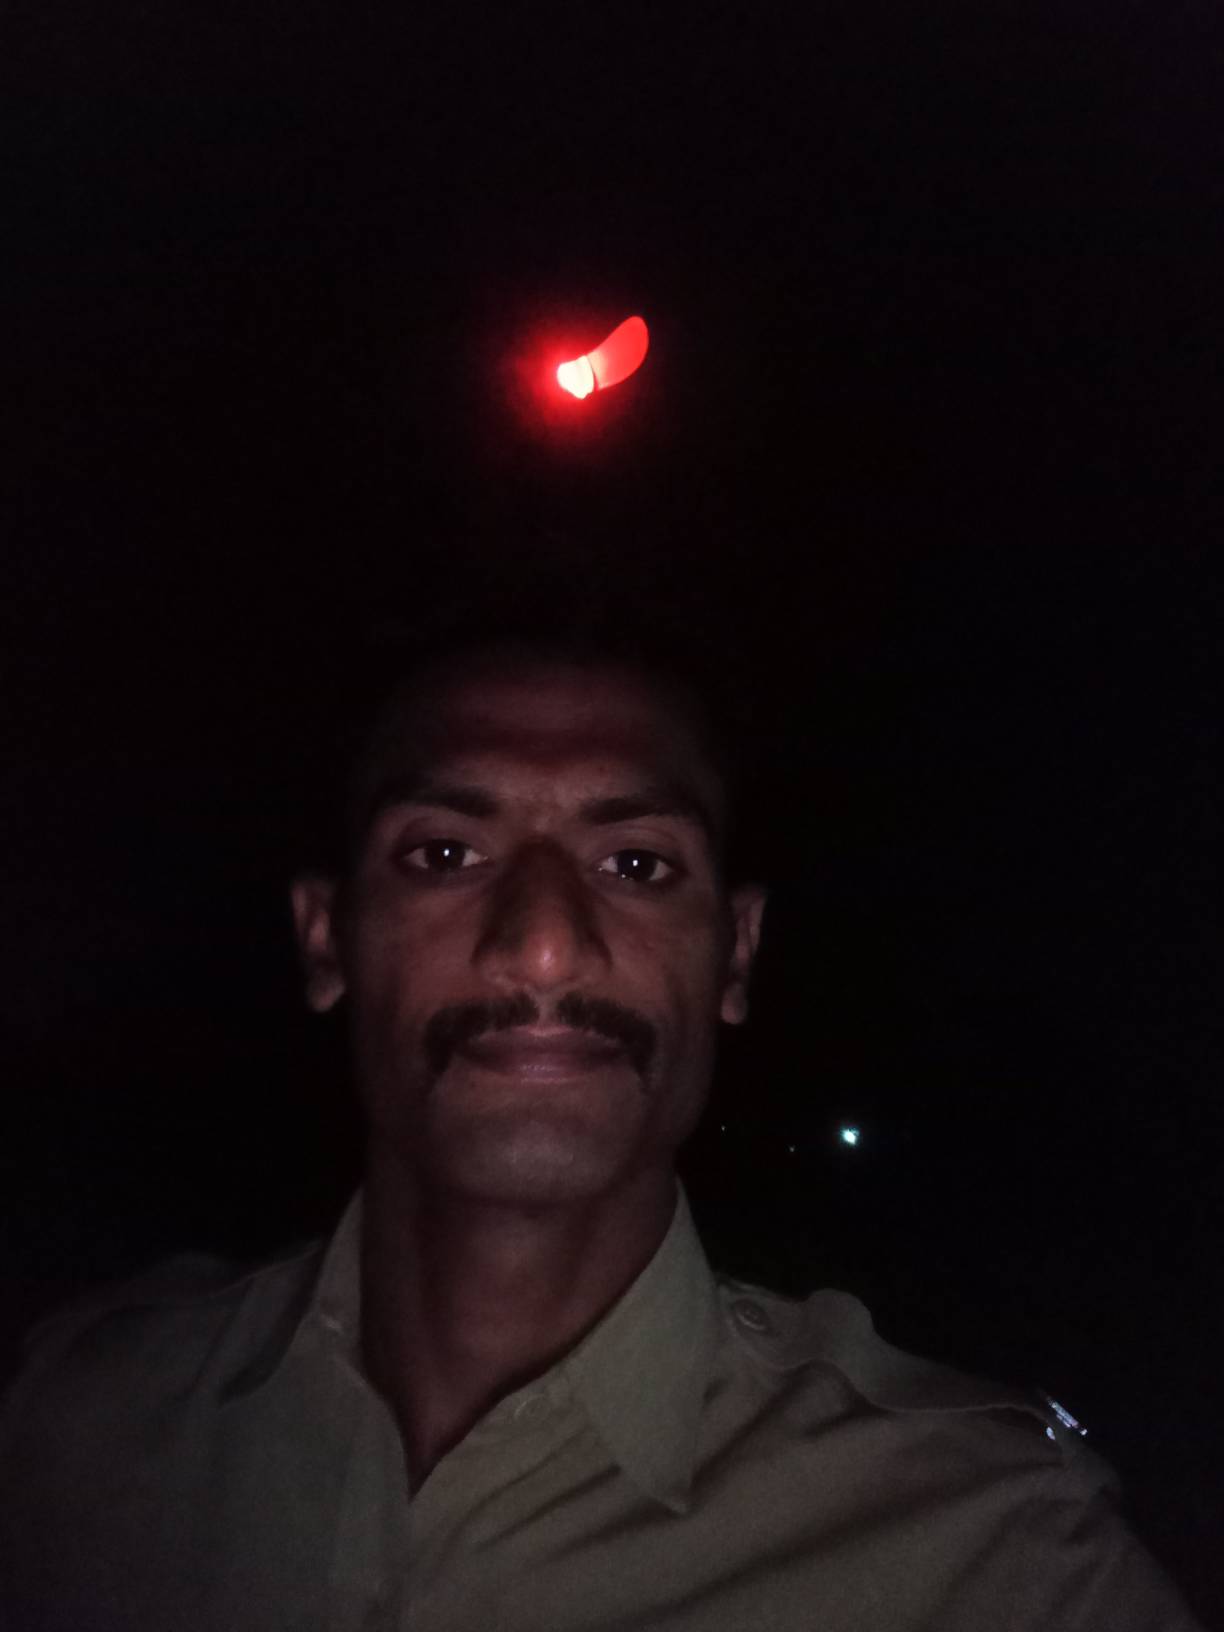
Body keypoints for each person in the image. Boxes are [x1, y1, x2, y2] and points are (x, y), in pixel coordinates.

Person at [0, 624, 1203, 1630]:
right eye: (445, 852)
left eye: (636, 864)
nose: (542, 946)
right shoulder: (74, 1429)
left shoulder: (998, 1561)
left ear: (736, 954)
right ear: (328, 939)